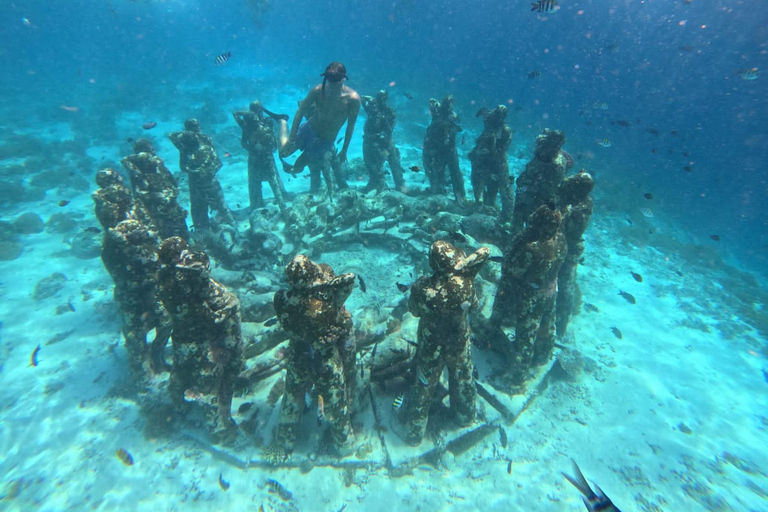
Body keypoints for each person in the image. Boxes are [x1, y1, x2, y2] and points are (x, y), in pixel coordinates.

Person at [277, 62, 361, 198]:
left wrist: (344, 150)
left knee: (296, 169)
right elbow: (300, 112)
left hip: (324, 141)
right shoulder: (318, 90)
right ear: (326, 78)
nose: (333, 84)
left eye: (336, 80)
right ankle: (282, 122)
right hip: (308, 129)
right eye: (330, 79)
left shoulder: (353, 99)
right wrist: (292, 136)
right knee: (283, 153)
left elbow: (350, 126)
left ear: (344, 78)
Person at [233, 101, 288, 211]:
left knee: (273, 180)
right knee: (259, 182)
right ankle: (258, 204)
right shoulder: (248, 124)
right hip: (259, 156)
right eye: (255, 110)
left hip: (263, 156)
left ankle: (281, 199)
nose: (257, 113)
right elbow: (244, 141)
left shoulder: (264, 122)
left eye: (258, 109)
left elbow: (272, 140)